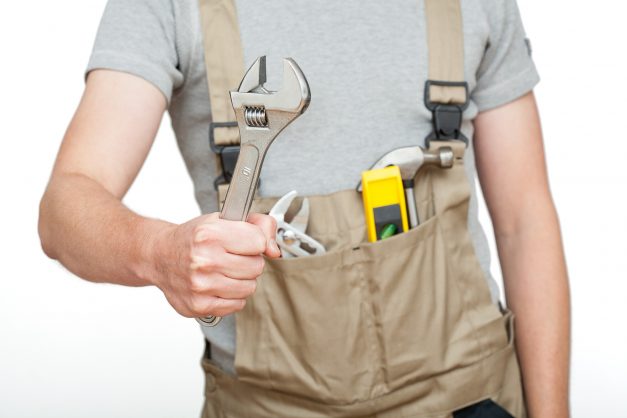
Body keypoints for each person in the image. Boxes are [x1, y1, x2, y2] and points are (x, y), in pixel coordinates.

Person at [38, 0, 570, 417]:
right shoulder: (166, 6)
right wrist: (157, 252)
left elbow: (525, 222)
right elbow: (65, 206)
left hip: (471, 399)